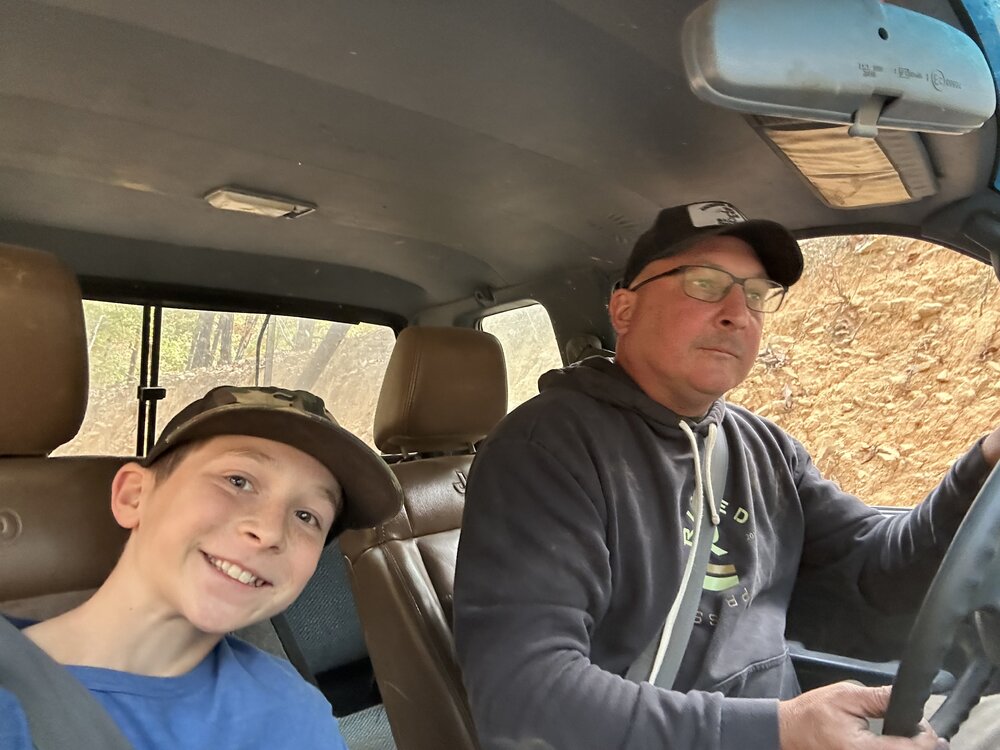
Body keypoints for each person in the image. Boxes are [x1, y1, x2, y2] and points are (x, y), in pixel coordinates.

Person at [453, 201, 1000, 750]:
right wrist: (781, 730)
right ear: (624, 310)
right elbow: (526, 696)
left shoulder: (764, 448)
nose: (738, 313)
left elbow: (875, 573)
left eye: (756, 294)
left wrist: (981, 468)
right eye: (705, 283)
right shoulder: (544, 450)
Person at [1, 385, 402, 750]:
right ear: (134, 496)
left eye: (306, 516)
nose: (269, 531)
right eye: (238, 481)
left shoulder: (294, 712)